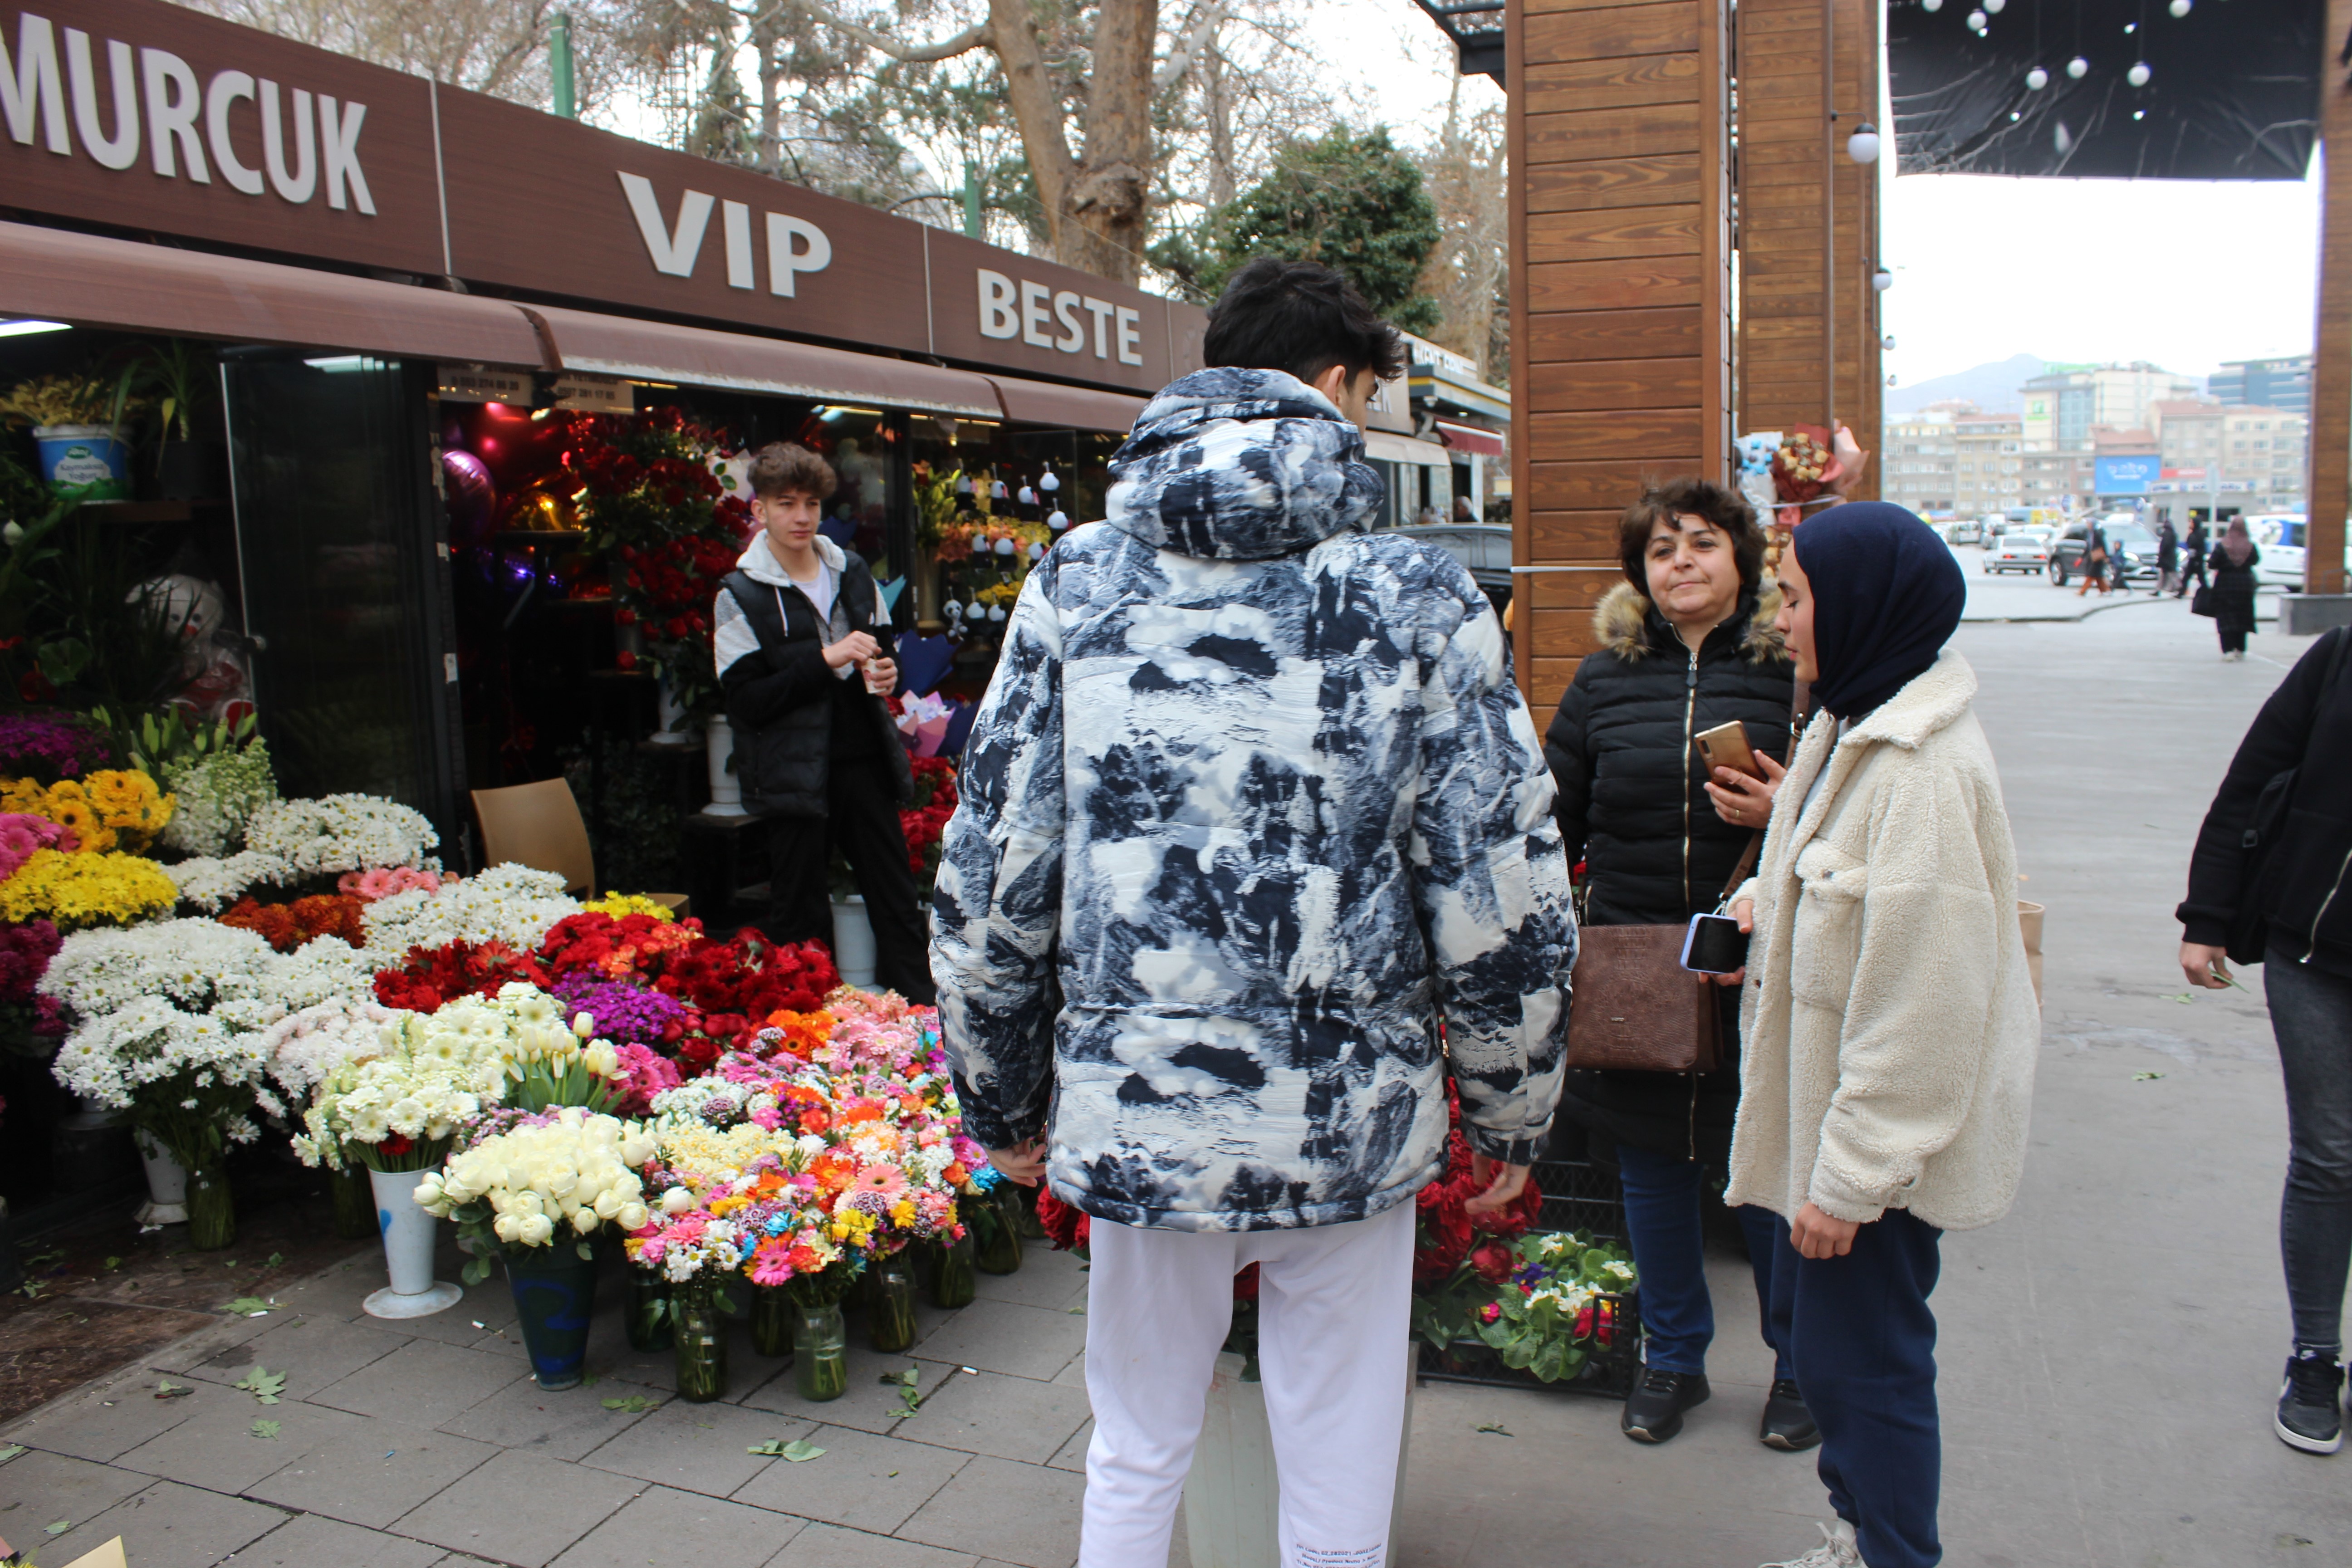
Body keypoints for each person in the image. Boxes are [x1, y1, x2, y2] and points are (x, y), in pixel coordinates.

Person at [931, 257, 1573, 1568]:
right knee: (1338, 1455)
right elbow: (1496, 878)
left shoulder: (1077, 583)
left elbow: (1000, 860)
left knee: (1134, 1443)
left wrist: (999, 1098)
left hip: (1138, 1094)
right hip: (1347, 1107)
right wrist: (1513, 1104)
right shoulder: (1419, 594)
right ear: (1333, 388)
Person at [1727, 503, 2040, 1568]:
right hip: (1827, 1129)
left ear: (1858, 604)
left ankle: (1894, 1552)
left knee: (1867, 1366)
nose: (1783, 621)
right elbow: (1843, 896)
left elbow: (1926, 1001)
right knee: (1826, 1353)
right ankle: (1862, 1537)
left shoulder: (1917, 767)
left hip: (1871, 1149)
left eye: (1795, 597)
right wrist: (1765, 909)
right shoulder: (1850, 721)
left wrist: (1850, 1176)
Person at [1542, 477, 1815, 1451]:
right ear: (1639, 574)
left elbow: (1852, 815)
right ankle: (1673, 1357)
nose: (1682, 563)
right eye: (1662, 550)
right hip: (1637, 960)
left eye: (1702, 543)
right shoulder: (1603, 681)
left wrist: (1783, 813)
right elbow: (1551, 818)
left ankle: (1800, 1367)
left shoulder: (1794, 672)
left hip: (1765, 958)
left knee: (1769, 1165)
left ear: (1741, 561)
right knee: (1651, 1168)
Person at [2178, 625, 2352, 1453]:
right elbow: (2249, 784)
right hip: (2312, 953)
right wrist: (2206, 916)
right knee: (2326, 1156)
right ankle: (2314, 1355)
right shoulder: (2340, 654)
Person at [713, 442, 934, 1003]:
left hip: (862, 758)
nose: (802, 516)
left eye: (811, 503)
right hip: (792, 775)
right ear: (759, 510)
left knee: (896, 899)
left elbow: (885, 655)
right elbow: (746, 702)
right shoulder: (738, 593)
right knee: (799, 916)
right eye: (786, 503)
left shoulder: (851, 570)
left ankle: (926, 1027)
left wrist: (886, 674)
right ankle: (809, 1041)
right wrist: (825, 659)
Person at [2211, 518, 2261, 661]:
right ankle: (2241, 649)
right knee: (2242, 617)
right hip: (2245, 585)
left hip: (2225, 585)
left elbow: (2213, 563)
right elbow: (2256, 560)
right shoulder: (2250, 546)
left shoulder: (2223, 545)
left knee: (2225, 617)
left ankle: (2228, 650)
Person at [2180, 518, 2211, 599]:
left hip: (2197, 560)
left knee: (2201, 579)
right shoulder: (2194, 533)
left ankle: (2208, 592)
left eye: (2192, 523)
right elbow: (2188, 543)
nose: (2191, 524)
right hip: (2193, 559)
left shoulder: (2199, 534)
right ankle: (2181, 592)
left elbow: (2195, 544)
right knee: (2187, 577)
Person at [2076, 524, 2110, 597]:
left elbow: (2103, 545)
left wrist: (2106, 556)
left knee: (2091, 576)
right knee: (2098, 577)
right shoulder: (2090, 534)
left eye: (2089, 523)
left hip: (2098, 558)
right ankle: (2106, 591)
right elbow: (2088, 547)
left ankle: (2083, 591)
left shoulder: (2097, 534)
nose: (2088, 525)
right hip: (2093, 558)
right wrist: (2082, 557)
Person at [2157, 519, 2181, 597]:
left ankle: (2178, 586)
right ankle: (2158, 590)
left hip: (2167, 558)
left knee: (2170, 574)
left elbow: (2165, 546)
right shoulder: (2173, 533)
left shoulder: (2166, 534)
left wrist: (2161, 554)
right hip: (2171, 557)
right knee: (2165, 574)